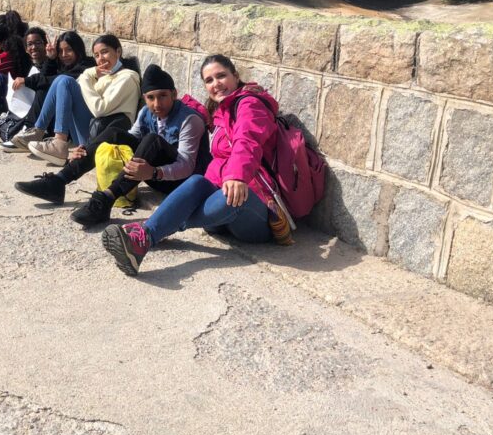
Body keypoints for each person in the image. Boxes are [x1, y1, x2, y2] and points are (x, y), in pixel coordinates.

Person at [101, 55, 291, 277]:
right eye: (209, 80)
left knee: (231, 195)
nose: (216, 84)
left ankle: (147, 233)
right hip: (219, 216)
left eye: (221, 76)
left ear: (235, 76)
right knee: (197, 182)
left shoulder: (250, 104)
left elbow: (247, 141)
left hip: (253, 216)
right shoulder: (221, 111)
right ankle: (147, 235)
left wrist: (237, 176)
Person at [15, 64, 212, 226]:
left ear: (174, 94)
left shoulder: (189, 120)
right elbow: (130, 138)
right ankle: (59, 181)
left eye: (162, 96)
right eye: (150, 98)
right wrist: (88, 148)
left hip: (181, 182)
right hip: (151, 173)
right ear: (144, 98)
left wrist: (153, 172)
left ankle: (106, 200)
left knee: (152, 140)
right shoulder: (146, 112)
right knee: (115, 133)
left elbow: (187, 165)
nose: (156, 104)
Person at [24, 34, 141, 165]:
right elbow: (74, 89)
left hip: (104, 141)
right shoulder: (104, 75)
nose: (101, 58)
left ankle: (59, 143)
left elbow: (99, 109)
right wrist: (90, 74)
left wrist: (87, 76)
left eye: (104, 52)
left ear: (118, 52)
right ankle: (38, 131)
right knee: (61, 80)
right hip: (91, 132)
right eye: (96, 55)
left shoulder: (127, 78)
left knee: (65, 81)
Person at [2, 31, 90, 152]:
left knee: (62, 80)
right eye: (60, 51)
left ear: (78, 49)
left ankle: (43, 134)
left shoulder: (86, 67)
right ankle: (34, 132)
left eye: (69, 50)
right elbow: (44, 78)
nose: (64, 55)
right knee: (45, 87)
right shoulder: (63, 66)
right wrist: (51, 58)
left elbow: (52, 80)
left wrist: (26, 80)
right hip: (64, 124)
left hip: (80, 128)